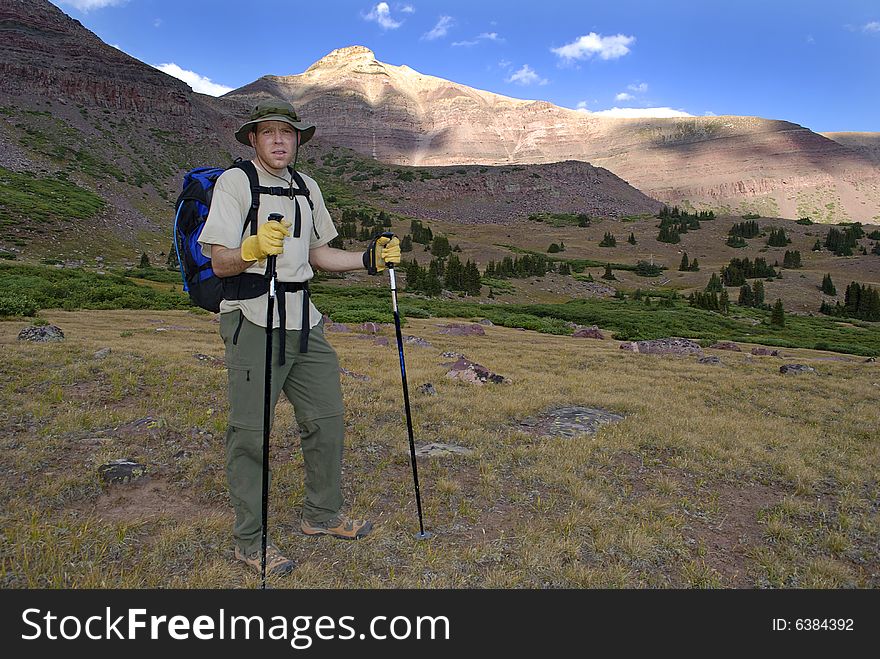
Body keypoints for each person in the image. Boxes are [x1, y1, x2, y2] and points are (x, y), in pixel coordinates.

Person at [198, 101, 401, 576]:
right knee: (251, 434)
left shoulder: (307, 188)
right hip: (252, 318)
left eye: (286, 133)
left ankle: (322, 516)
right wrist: (250, 248)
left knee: (326, 420)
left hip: (304, 320)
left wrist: (369, 259)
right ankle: (250, 542)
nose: (278, 141)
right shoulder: (236, 183)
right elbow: (219, 261)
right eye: (268, 133)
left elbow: (319, 254)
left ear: (297, 140)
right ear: (253, 139)